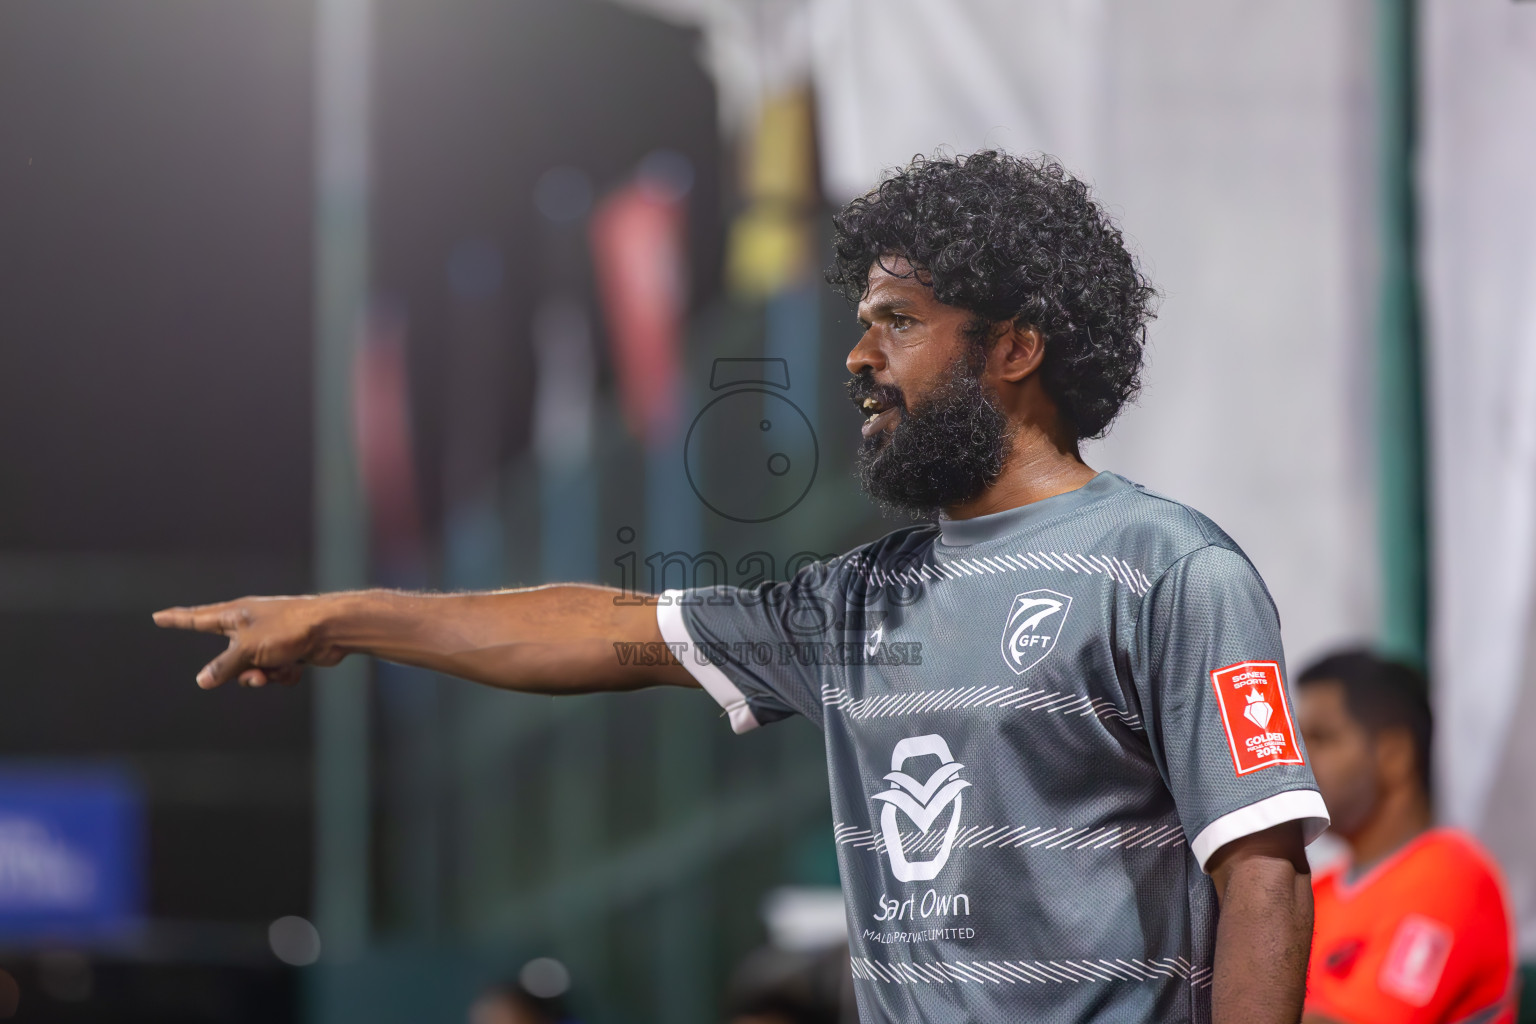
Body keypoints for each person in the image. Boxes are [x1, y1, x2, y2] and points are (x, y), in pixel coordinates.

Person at [154, 151, 1328, 1023]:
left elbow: (1263, 881)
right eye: (863, 325)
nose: (860, 359)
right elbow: (600, 630)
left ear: (1014, 348)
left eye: (898, 325)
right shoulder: (855, 599)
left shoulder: (1172, 569)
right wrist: (349, 616)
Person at [1296, 651, 1516, 1024]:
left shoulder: (1452, 874)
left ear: (1394, 755)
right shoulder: (1319, 892)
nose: (1299, 758)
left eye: (1322, 739)